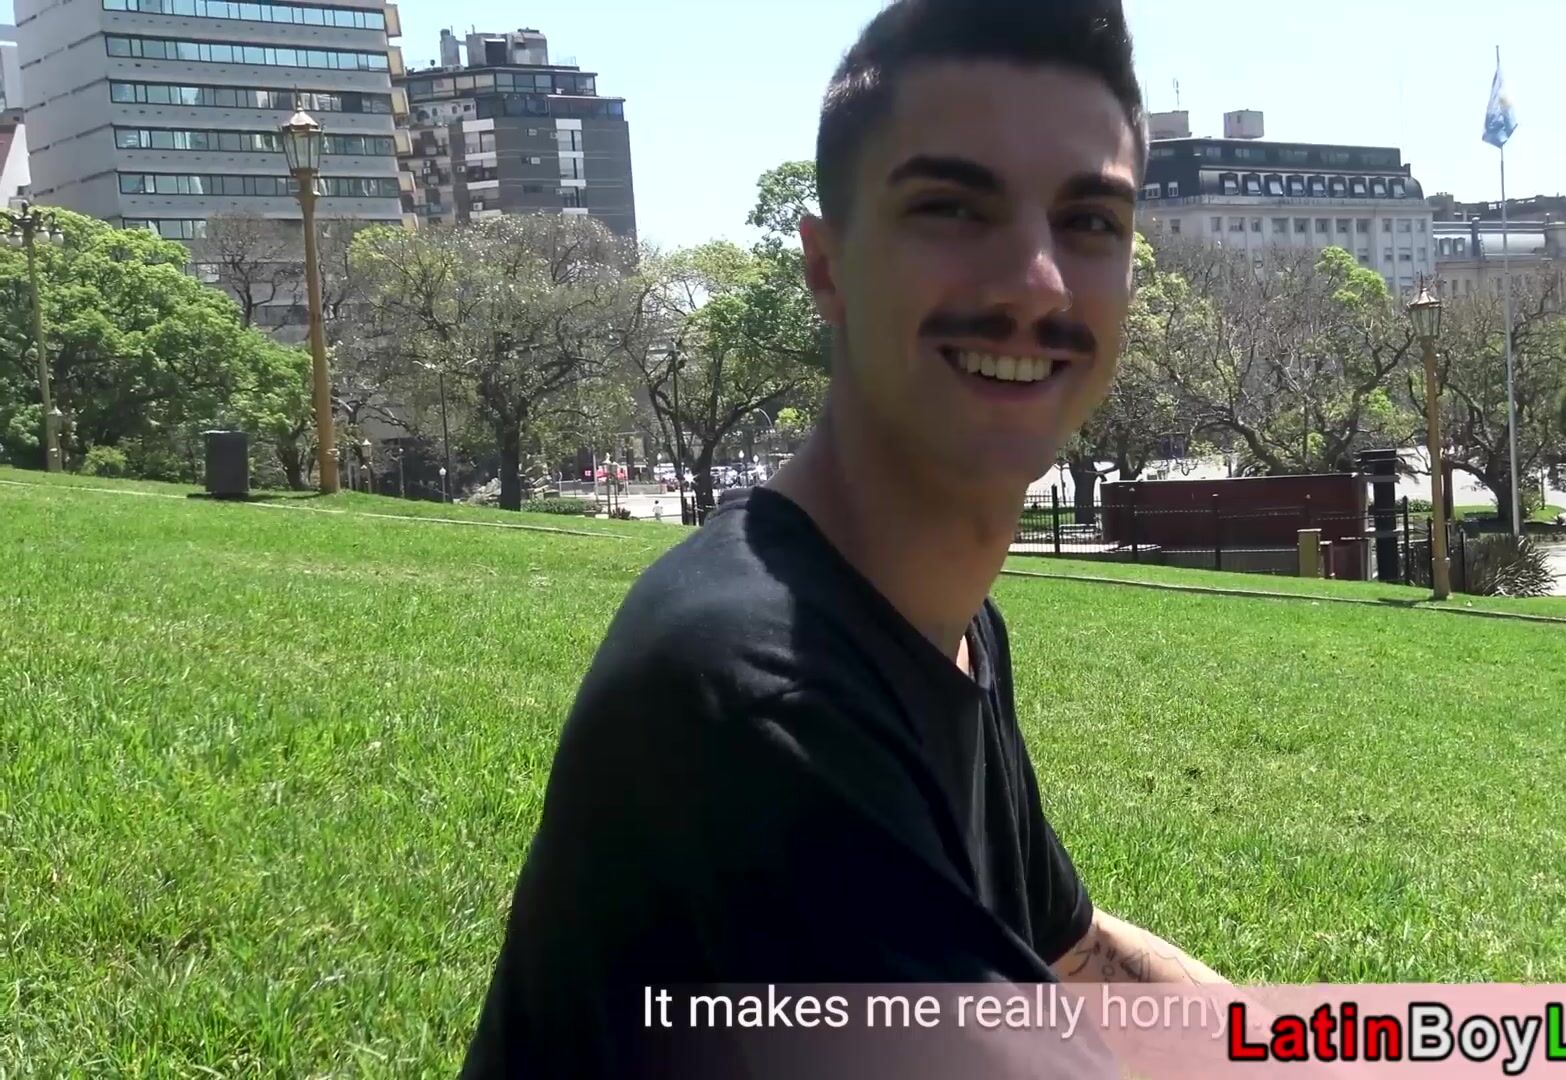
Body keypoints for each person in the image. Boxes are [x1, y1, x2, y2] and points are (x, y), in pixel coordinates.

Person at [463, 0, 1223, 1074]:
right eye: (952, 207)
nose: (1036, 282)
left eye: (1090, 222)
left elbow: (1075, 952)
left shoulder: (940, 626)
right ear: (827, 268)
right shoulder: (762, 705)